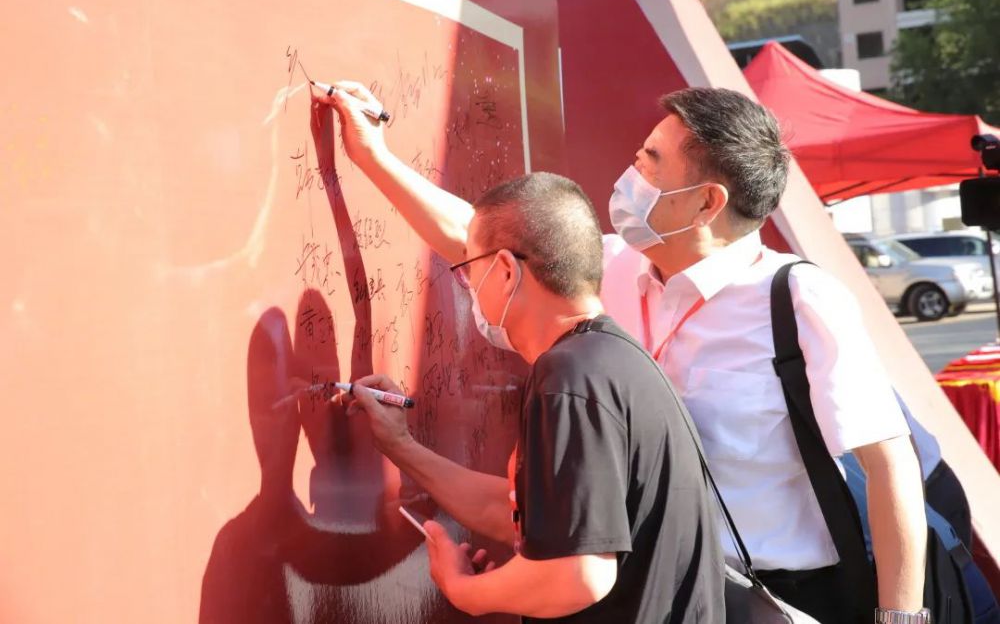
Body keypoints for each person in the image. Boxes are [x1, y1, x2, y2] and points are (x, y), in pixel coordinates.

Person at [317, 81, 930, 623]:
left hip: (780, 594)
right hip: (650, 581)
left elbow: (889, 464)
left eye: (650, 163)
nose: (629, 175)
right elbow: (481, 241)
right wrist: (373, 156)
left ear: (708, 202)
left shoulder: (798, 299)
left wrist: (901, 618)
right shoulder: (611, 269)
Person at [333, 171, 725, 621]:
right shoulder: (610, 360)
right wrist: (400, 445)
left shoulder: (569, 378)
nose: (468, 284)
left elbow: (578, 574)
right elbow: (525, 513)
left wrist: (464, 591)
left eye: (468, 268)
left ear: (505, 270)